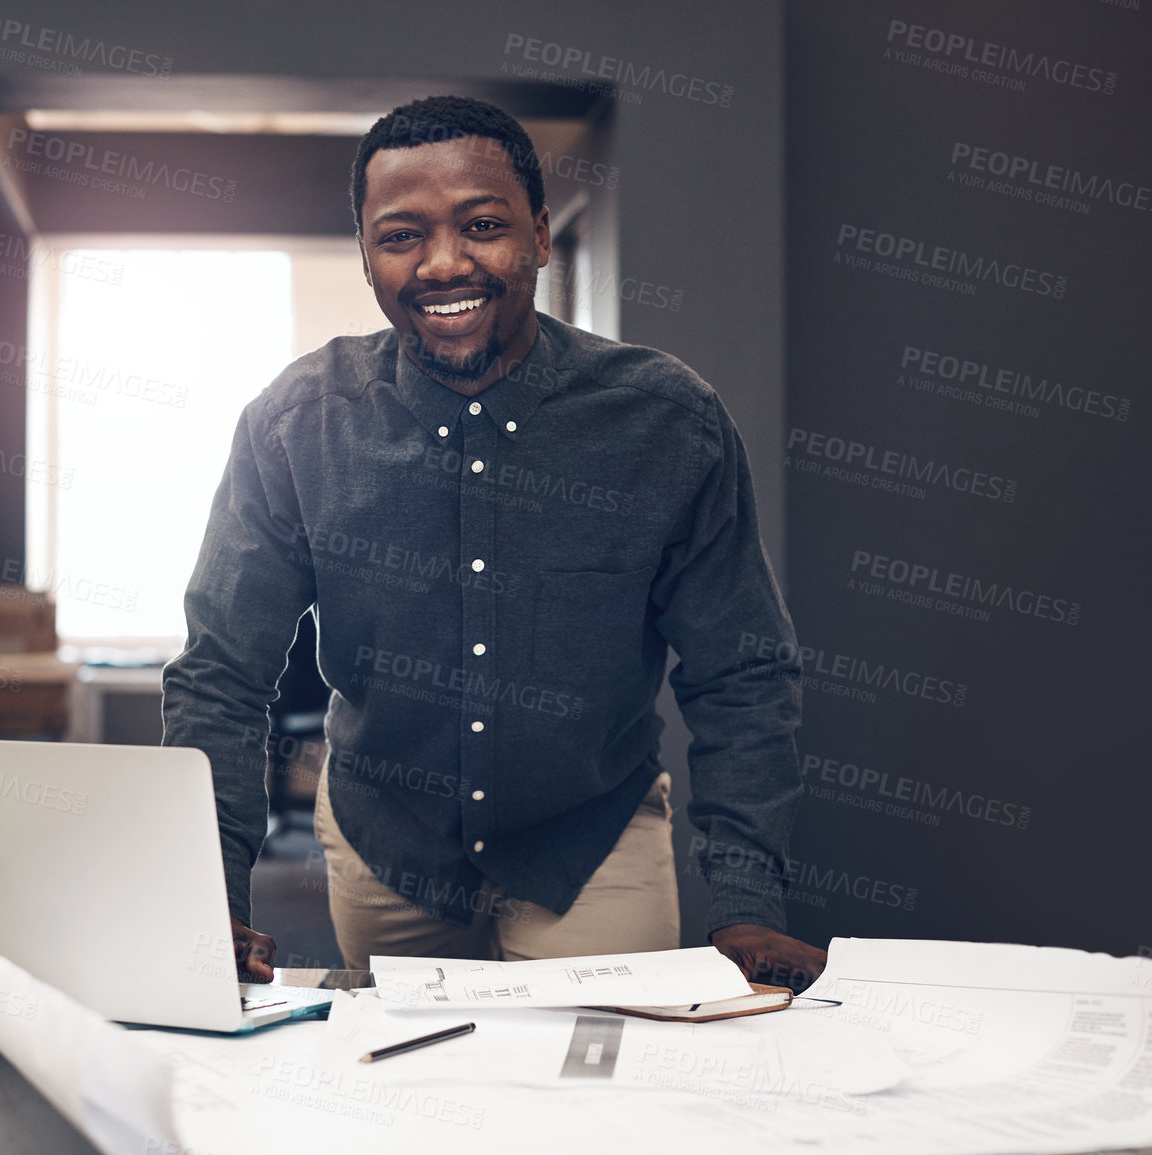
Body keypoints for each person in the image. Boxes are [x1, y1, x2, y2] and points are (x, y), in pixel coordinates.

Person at [162, 95, 825, 991]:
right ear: (367, 256)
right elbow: (221, 673)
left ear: (541, 236)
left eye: (481, 225)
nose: (444, 262)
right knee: (416, 1103)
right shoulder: (296, 423)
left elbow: (741, 670)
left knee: (586, 1111)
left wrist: (746, 898)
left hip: (588, 842)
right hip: (383, 843)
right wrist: (205, 894)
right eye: (401, 235)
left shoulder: (666, 421)